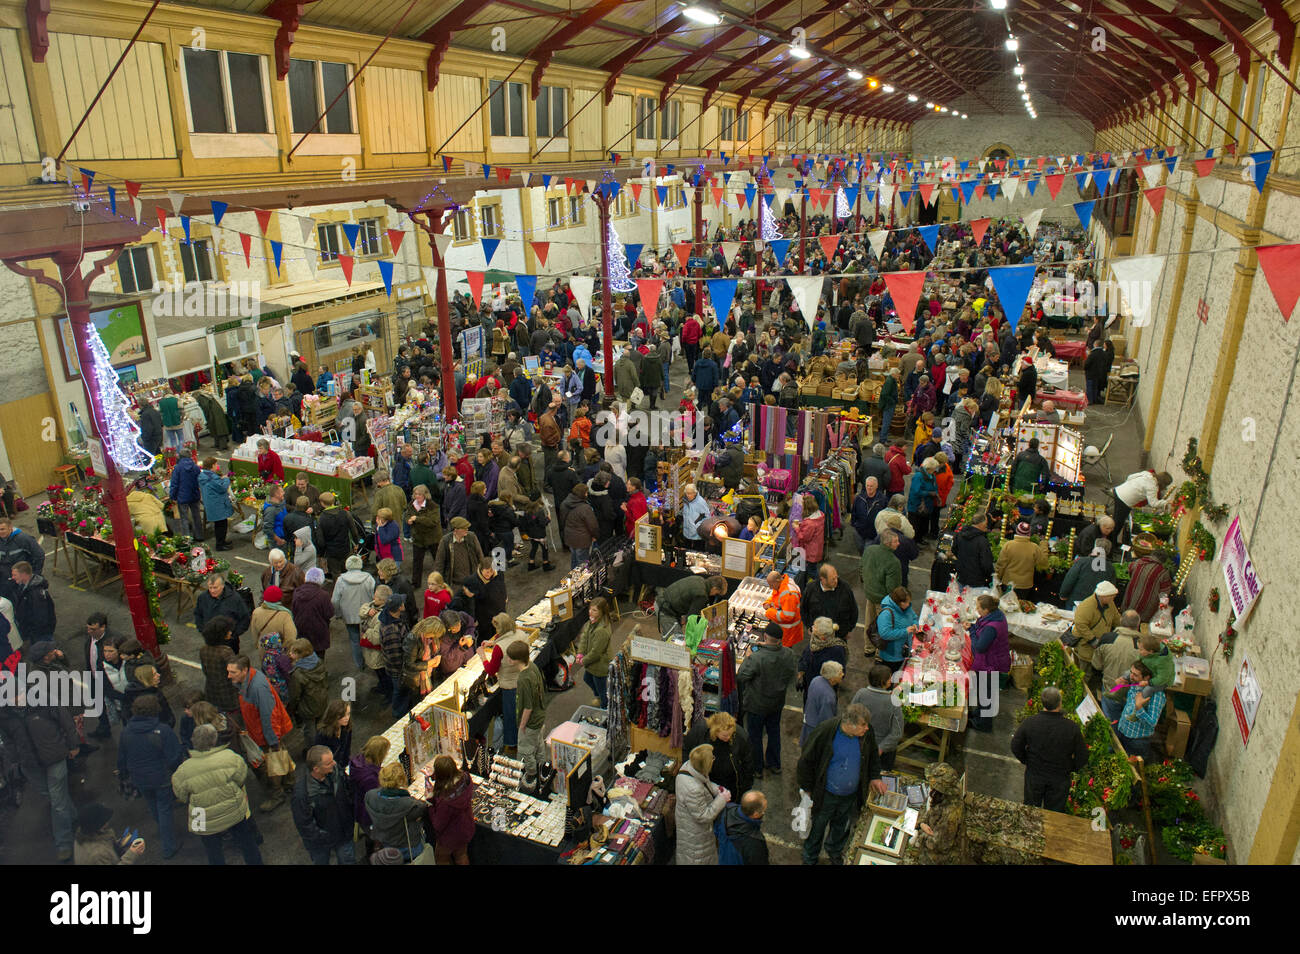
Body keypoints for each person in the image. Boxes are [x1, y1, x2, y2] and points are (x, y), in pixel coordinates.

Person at [0, 652, 80, 860]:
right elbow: (7, 742)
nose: (16, 698)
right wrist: (14, 763)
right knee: (55, 798)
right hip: (30, 765)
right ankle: (74, 817)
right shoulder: (4, 716)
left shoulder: (43, 701)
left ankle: (63, 843)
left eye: (18, 692)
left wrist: (73, 745)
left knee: (57, 801)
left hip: (54, 756)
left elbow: (65, 721)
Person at [797, 704, 887, 865]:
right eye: (863, 725)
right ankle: (810, 856)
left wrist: (875, 777)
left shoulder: (867, 734)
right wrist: (807, 789)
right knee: (817, 827)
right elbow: (806, 761)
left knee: (842, 827)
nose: (867, 728)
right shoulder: (825, 731)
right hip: (825, 795)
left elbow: (873, 754)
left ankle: (834, 851)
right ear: (849, 724)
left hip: (850, 796)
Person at [171, 723, 263, 865]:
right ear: (214, 740)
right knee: (247, 843)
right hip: (233, 809)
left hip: (202, 818)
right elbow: (241, 779)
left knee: (213, 852)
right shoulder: (230, 758)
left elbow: (182, 796)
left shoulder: (183, 770)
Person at [117, 694, 184, 859]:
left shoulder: (126, 732)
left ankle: (163, 830)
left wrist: (125, 774)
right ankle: (168, 846)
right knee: (164, 808)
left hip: (139, 778)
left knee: (153, 805)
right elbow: (174, 757)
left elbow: (122, 759)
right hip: (161, 777)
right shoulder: (163, 731)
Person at [228, 654, 291, 811]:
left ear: (244, 670)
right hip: (261, 732)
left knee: (271, 765)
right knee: (280, 756)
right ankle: (289, 782)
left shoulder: (257, 687)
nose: (229, 676)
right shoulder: (248, 681)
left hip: (266, 735)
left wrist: (272, 740)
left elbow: (269, 716)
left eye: (232, 672)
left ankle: (277, 794)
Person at [1010, 686, 1088, 812]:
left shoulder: (1030, 722)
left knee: (1030, 812)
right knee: (1054, 814)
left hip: (1035, 775)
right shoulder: (1071, 728)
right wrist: (1070, 768)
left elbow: (1015, 745)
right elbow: (1083, 756)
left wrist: (1027, 760)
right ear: (1060, 703)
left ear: (1042, 702)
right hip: (1059, 779)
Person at [737, 623, 797, 780]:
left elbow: (742, 676)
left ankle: (757, 768)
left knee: (755, 737)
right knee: (774, 732)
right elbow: (791, 674)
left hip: (756, 705)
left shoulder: (757, 658)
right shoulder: (789, 654)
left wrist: (749, 656)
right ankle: (774, 764)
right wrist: (769, 646)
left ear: (764, 637)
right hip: (776, 703)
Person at [292, 745, 355, 865]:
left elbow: (348, 790)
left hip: (344, 833)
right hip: (321, 844)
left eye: (332, 759)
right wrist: (325, 837)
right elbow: (305, 825)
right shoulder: (302, 794)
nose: (334, 763)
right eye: (328, 763)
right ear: (316, 769)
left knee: (348, 861)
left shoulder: (336, 771)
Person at [674, 743, 730, 865]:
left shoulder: (688, 768)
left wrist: (717, 789)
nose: (713, 758)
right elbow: (703, 816)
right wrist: (722, 800)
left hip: (688, 826)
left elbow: (705, 783)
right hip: (695, 834)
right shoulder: (694, 789)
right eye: (712, 758)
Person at [365, 761, 430, 862]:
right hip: (408, 846)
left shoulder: (370, 796)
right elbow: (423, 808)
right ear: (401, 780)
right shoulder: (409, 805)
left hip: (386, 843)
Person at [682, 711, 754, 799]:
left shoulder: (740, 736)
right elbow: (686, 749)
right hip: (706, 780)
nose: (728, 738)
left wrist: (745, 788)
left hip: (731, 784)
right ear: (715, 731)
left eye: (730, 734)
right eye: (725, 735)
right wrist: (691, 775)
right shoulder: (700, 731)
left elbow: (748, 762)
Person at [968, 594, 1010, 732]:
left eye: (979, 607)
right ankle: (980, 714)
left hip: (990, 663)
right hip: (994, 660)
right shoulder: (997, 616)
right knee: (985, 692)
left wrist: (972, 632)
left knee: (986, 694)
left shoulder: (991, 627)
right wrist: (973, 627)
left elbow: (979, 647)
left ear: (986, 610)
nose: (977, 609)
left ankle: (984, 724)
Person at [511, 640, 548, 788]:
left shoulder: (523, 679)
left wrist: (522, 725)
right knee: (539, 744)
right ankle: (542, 770)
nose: (508, 660)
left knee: (526, 750)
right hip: (540, 717)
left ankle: (532, 775)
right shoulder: (532, 666)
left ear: (515, 660)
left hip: (531, 722)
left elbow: (528, 707)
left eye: (510, 658)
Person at [851, 665, 903, 770]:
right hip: (883, 753)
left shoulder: (861, 693)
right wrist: (881, 748)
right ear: (883, 681)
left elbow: (850, 717)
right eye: (889, 678)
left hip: (859, 745)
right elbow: (897, 733)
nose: (891, 681)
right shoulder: (894, 702)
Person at [427, 754, 476, 864]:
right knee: (462, 855)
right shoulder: (465, 778)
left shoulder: (445, 800)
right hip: (466, 827)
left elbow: (437, 824)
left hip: (450, 837)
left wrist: (430, 804)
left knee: (441, 859)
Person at [1095, 612, 1144, 720]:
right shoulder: (1143, 647)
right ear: (1138, 624)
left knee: (1111, 724)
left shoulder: (1107, 638)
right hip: (1132, 695)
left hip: (1111, 688)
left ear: (1121, 621)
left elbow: (1096, 664)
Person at [1113, 662, 1165, 759]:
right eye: (1131, 672)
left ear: (1147, 678)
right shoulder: (1135, 683)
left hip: (1137, 741)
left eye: (1135, 675)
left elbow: (1152, 723)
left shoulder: (1156, 695)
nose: (1131, 676)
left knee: (1132, 770)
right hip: (1123, 731)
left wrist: (1139, 708)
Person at [332, 555, 375, 669]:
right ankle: (372, 662)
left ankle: (359, 664)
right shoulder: (369, 578)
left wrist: (338, 614)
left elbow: (335, 600)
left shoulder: (341, 580)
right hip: (367, 614)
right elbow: (374, 596)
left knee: (354, 639)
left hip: (349, 615)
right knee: (369, 637)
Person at [860, 528, 903, 641]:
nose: (898, 543)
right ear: (888, 544)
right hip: (883, 601)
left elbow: (862, 567)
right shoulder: (893, 562)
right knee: (883, 628)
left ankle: (868, 648)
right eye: (895, 541)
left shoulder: (869, 550)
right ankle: (880, 654)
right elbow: (892, 588)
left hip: (869, 594)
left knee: (869, 623)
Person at [287, 638, 329, 746]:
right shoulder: (318, 662)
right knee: (319, 726)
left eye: (293, 652)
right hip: (322, 699)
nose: (290, 654)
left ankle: (313, 750)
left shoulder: (297, 674)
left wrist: (292, 709)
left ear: (301, 654)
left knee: (309, 730)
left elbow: (295, 695)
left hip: (307, 706)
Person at [1073, 580, 1121, 674]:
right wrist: (1092, 639)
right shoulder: (1086, 606)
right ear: (1103, 596)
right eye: (1112, 596)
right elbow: (1080, 624)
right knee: (1083, 671)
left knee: (1093, 667)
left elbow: (1116, 617)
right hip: (1085, 644)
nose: (1113, 598)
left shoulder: (1110, 603)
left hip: (1100, 643)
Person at [74, 802, 146, 865]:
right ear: (96, 826)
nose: (107, 823)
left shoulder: (83, 834)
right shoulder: (98, 854)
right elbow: (102, 854)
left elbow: (103, 844)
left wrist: (119, 845)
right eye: (104, 821)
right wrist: (132, 854)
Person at [1112, 470, 1174, 541]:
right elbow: (1153, 503)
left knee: (1115, 520)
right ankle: (1111, 543)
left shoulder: (1147, 474)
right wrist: (1167, 502)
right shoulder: (1153, 486)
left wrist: (1131, 487)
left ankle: (1111, 540)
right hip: (1125, 500)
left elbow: (1130, 477)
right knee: (1118, 523)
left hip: (1119, 491)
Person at [657, 574, 727, 635]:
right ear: (714, 588)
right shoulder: (702, 595)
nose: (714, 595)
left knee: (670, 636)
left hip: (662, 599)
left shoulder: (699, 579)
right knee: (675, 642)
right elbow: (691, 619)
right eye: (717, 593)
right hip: (666, 610)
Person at [576, 597, 613, 708]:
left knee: (602, 690)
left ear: (601, 612)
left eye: (594, 610)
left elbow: (596, 653)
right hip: (591, 662)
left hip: (600, 665)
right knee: (587, 679)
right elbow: (584, 637)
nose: (590, 612)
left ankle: (604, 709)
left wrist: (583, 660)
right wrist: (580, 653)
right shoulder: (592, 621)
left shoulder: (602, 630)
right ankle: (598, 697)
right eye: (590, 609)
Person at [994, 522, 1048, 597]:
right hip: (1025, 585)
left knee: (1005, 605)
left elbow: (1000, 565)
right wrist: (1044, 545)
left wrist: (996, 579)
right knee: (1020, 605)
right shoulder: (1034, 548)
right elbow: (1044, 564)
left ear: (1017, 531)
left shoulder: (1008, 545)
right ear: (1029, 533)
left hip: (1008, 583)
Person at [874, 585, 919, 672]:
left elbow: (914, 617)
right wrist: (905, 631)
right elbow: (885, 634)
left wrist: (915, 624)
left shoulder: (906, 607)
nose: (909, 604)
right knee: (891, 675)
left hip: (903, 650)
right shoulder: (886, 614)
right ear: (900, 602)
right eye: (907, 602)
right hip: (891, 655)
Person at [1058, 541, 1117, 608]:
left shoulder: (1082, 562)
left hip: (1076, 602)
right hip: (1096, 606)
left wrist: (1063, 595)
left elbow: (1070, 579)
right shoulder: (1110, 568)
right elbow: (1111, 590)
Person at [8, 560, 55, 642]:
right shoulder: (24, 587)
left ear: (23, 575)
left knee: (42, 652)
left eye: (15, 575)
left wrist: (32, 632)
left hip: (40, 634)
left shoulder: (36, 594)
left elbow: (41, 619)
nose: (12, 577)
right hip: (35, 632)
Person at [434, 516, 485, 590]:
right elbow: (439, 563)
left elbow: (480, 556)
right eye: (464, 528)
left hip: (471, 580)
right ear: (455, 530)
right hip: (454, 584)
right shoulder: (445, 541)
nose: (467, 530)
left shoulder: (471, 537)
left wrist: (482, 575)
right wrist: (438, 582)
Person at [405, 484, 443, 584]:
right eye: (415, 494)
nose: (417, 496)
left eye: (420, 494)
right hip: (418, 538)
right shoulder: (411, 505)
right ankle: (415, 583)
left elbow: (432, 521)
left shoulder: (433, 506)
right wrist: (407, 519)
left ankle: (442, 581)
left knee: (438, 560)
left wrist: (417, 519)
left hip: (432, 538)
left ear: (425, 495)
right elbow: (407, 514)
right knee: (417, 562)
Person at [1122, 551, 1173, 622]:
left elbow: (1130, 569)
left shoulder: (1139, 562)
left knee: (1127, 618)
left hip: (1131, 597)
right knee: (1139, 622)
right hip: (1146, 606)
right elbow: (1165, 592)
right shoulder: (1163, 572)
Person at [801, 660, 844, 745]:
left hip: (809, 721)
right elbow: (826, 720)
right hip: (816, 730)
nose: (842, 674)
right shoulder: (828, 696)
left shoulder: (816, 680)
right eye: (840, 673)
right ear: (832, 678)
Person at [317, 492, 358, 579]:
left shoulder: (321, 518)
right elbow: (354, 531)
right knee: (348, 571)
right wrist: (356, 543)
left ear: (322, 503)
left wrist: (321, 554)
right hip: (346, 548)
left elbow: (321, 541)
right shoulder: (345, 513)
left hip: (332, 552)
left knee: (336, 574)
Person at [560, 482, 599, 568]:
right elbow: (593, 526)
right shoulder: (585, 508)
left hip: (569, 537)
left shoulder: (564, 503)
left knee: (574, 558)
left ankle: (573, 577)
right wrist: (595, 535)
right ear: (582, 494)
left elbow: (562, 521)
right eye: (586, 492)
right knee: (582, 562)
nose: (587, 494)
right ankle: (583, 580)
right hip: (582, 540)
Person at [763, 570, 803, 649]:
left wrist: (769, 612)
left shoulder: (789, 594)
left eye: (771, 585)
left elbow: (787, 616)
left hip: (788, 633)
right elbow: (776, 597)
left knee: (784, 653)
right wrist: (767, 602)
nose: (770, 587)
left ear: (777, 581)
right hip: (783, 630)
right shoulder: (781, 585)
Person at [954, 509, 994, 587]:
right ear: (981, 524)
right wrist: (990, 576)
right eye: (986, 523)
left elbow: (954, 550)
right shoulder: (982, 541)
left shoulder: (960, 535)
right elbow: (986, 564)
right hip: (976, 581)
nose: (987, 525)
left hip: (961, 576)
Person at [680, 482, 711, 547]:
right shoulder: (685, 500)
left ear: (695, 493)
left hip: (697, 535)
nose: (688, 495)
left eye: (690, 493)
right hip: (687, 532)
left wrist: (697, 527)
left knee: (697, 553)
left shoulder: (701, 502)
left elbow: (707, 517)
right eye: (687, 493)